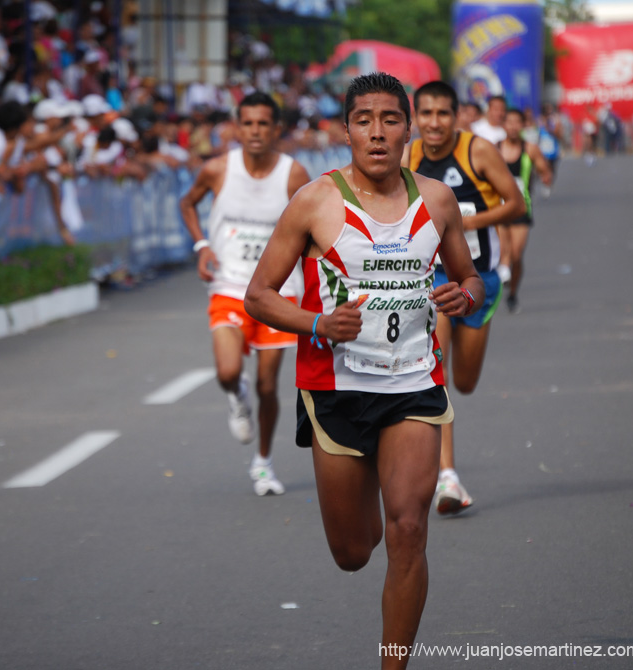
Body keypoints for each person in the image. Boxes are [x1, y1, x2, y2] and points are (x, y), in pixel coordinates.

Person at [244, 72, 484, 670]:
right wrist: (319, 325)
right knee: (354, 551)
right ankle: (367, 486)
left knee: (408, 532)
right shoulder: (315, 202)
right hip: (338, 392)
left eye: (389, 120)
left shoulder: (437, 199)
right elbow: (258, 296)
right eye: (363, 120)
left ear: (407, 128)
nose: (377, 133)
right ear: (345, 129)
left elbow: (468, 277)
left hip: (413, 386)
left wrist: (466, 295)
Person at [179, 91, 310, 496]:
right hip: (229, 286)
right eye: (248, 123)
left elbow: (313, 226)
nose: (255, 131)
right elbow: (187, 203)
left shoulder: (293, 175)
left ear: (276, 129)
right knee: (228, 371)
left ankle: (263, 463)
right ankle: (236, 398)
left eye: (263, 124)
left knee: (268, 386)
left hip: (276, 293)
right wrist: (202, 246)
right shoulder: (218, 169)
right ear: (237, 128)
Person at [403, 80, 524, 514]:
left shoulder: (478, 152)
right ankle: (447, 477)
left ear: (457, 117)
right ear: (417, 116)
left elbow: (516, 201)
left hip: (479, 278)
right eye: (427, 114)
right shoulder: (409, 155)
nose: (434, 123)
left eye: (443, 114)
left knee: (465, 382)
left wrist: (466, 224)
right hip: (430, 280)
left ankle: (447, 469)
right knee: (435, 370)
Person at [498, 108, 553, 314]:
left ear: (523, 126)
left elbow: (544, 169)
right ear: (503, 125)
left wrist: (545, 176)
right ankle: (503, 272)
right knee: (504, 251)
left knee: (516, 255)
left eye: (516, 122)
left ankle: (512, 293)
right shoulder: (494, 149)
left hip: (522, 207)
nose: (512, 126)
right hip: (499, 207)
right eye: (508, 122)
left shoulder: (530, 149)